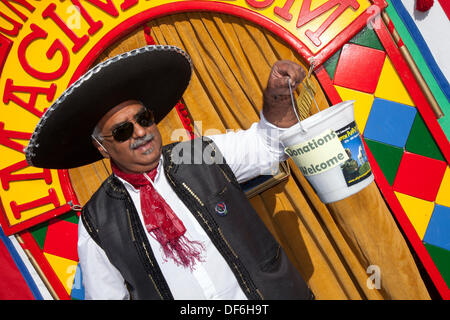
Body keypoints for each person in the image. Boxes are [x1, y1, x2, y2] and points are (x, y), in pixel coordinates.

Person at [25, 45, 313, 300]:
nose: (140, 132)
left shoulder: (200, 154)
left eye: (144, 118)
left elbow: (268, 145)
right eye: (123, 131)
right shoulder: (97, 221)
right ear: (102, 147)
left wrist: (278, 96)